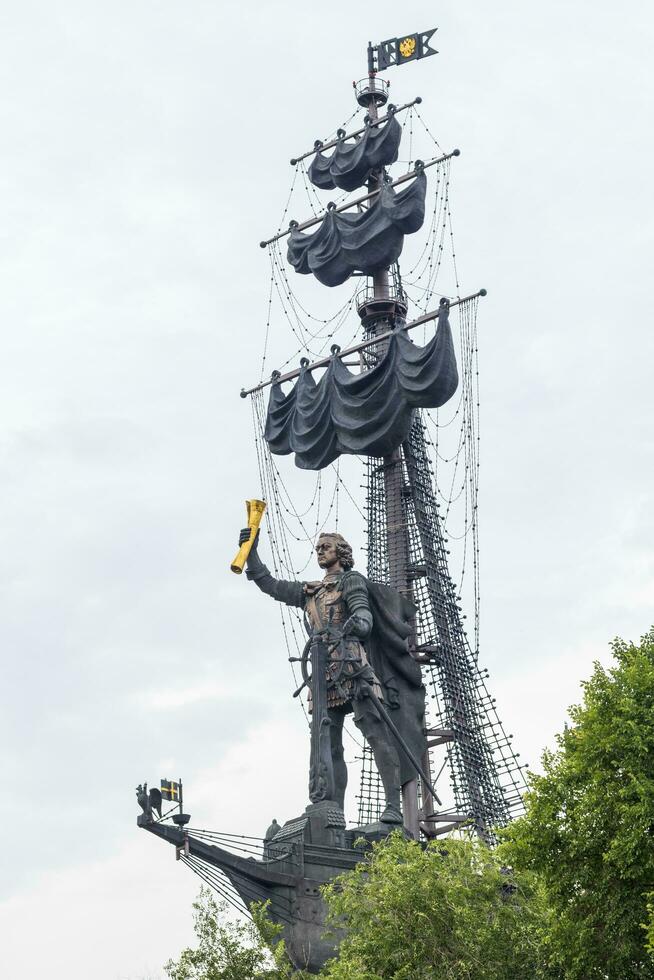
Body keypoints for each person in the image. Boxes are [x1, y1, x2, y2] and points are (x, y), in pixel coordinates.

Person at [240, 528, 427, 825]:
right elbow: (271, 586)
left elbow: (363, 616)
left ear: (340, 551)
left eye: (325, 547)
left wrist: (359, 623)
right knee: (328, 742)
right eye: (317, 548)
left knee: (375, 733)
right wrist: (251, 553)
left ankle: (393, 805)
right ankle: (332, 808)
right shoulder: (310, 592)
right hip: (322, 671)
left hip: (351, 663)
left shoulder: (351, 581)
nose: (320, 552)